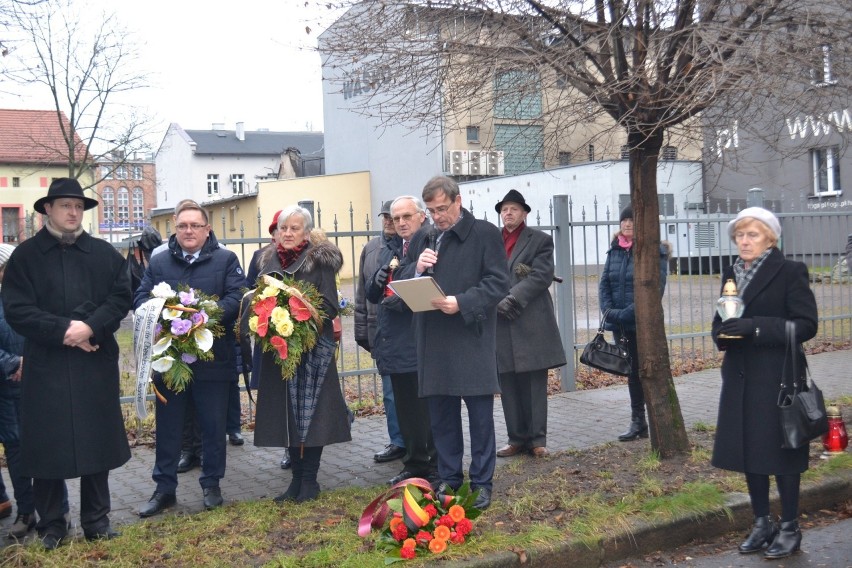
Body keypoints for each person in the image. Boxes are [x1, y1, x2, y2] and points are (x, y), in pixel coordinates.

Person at [1, 178, 131, 549]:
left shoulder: (104, 253)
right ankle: (53, 523)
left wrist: (91, 325)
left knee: (96, 442)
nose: (73, 213)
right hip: (47, 365)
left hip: (93, 363)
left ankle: (96, 520)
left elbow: (120, 297)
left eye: (78, 206)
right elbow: (17, 310)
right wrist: (64, 330)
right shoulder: (25, 256)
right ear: (48, 209)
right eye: (65, 206)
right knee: (45, 446)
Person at [711, 207, 818, 559]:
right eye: (740, 234)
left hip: (777, 378)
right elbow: (722, 317)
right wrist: (722, 334)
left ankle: (789, 527)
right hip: (740, 375)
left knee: (783, 452)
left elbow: (805, 325)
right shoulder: (733, 272)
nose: (744, 241)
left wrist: (755, 328)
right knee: (749, 451)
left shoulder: (789, 271)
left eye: (752, 234)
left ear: (770, 238)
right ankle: (762, 522)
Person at [399, 175, 510, 510]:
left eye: (443, 208)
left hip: (469, 337)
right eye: (432, 211)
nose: (438, 216)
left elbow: (498, 283)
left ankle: (482, 482)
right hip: (433, 340)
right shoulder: (426, 236)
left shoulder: (485, 233)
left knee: (479, 418)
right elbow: (401, 279)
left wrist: (461, 301)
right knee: (442, 418)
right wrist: (416, 269)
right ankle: (449, 478)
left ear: (458, 201)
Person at [135, 200, 244, 517]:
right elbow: (141, 297)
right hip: (171, 362)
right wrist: (164, 317)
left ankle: (211, 485)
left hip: (213, 360)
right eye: (182, 225)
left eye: (195, 225)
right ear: (174, 228)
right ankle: (164, 489)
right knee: (169, 429)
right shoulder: (159, 263)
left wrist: (203, 318)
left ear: (207, 229)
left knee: (213, 428)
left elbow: (237, 296)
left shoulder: (226, 260)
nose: (188, 231)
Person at [248, 205, 351, 503]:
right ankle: (295, 480)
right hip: (277, 351)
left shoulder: (320, 262)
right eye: (283, 228)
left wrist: (296, 317)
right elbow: (254, 298)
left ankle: (310, 481)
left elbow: (331, 305)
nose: (288, 233)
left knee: (311, 416)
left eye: (295, 228)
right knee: (287, 416)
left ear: (306, 233)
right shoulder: (266, 260)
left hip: (310, 350)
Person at [366, 196, 436, 485]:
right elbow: (373, 295)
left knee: (425, 410)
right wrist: (379, 280)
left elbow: (425, 289)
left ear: (421, 216)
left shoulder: (431, 242)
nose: (402, 223)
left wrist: (394, 293)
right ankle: (415, 461)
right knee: (405, 408)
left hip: (420, 341)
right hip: (394, 342)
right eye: (397, 219)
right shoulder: (391, 248)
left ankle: (434, 465)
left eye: (407, 216)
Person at [493, 190, 566, 459]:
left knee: (534, 383)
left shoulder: (540, 240)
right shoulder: (493, 241)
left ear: (524, 213)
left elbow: (541, 275)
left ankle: (537, 440)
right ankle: (516, 438)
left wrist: (513, 298)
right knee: (508, 383)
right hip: (501, 321)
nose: (508, 213)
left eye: (513, 209)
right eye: (504, 209)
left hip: (530, 319)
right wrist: (496, 299)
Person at [598, 205, 669, 441]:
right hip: (620, 324)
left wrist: (625, 313)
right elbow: (604, 284)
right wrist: (609, 311)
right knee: (631, 372)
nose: (627, 224)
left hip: (642, 324)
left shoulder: (653, 252)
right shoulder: (615, 251)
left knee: (645, 371)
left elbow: (653, 290)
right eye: (624, 221)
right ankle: (638, 421)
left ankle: (658, 420)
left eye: (632, 220)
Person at [355, 200, 405, 465]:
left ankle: (416, 441)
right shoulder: (371, 249)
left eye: (393, 217)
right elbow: (363, 293)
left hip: (406, 330)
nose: (389, 221)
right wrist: (362, 331)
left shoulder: (411, 247)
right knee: (389, 392)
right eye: (385, 216)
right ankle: (397, 440)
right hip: (379, 327)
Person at [244, 209, 293, 470]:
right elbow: (248, 291)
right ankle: (286, 444)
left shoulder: (305, 256)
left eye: (287, 229)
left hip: (296, 339)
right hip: (267, 338)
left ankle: (295, 446)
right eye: (277, 230)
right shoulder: (260, 257)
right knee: (275, 395)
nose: (281, 234)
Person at [0, 243, 35, 538]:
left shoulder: (32, 296)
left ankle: (57, 509)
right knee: (16, 449)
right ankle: (25, 511)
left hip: (37, 382)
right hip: (7, 386)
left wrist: (35, 362)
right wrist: (14, 363)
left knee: (48, 444)